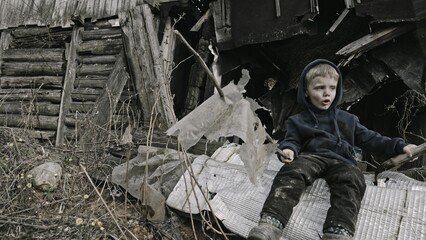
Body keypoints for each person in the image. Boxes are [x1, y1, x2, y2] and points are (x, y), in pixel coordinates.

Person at [247, 59, 417, 240]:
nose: (326, 93)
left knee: (352, 179)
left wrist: (400, 146)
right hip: (311, 157)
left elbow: (372, 139)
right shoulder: (298, 120)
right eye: (319, 88)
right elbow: (292, 140)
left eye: (332, 88)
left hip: (342, 161)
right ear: (306, 91)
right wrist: (289, 150)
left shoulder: (349, 120)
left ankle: (339, 230)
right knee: (291, 172)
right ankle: (271, 223)